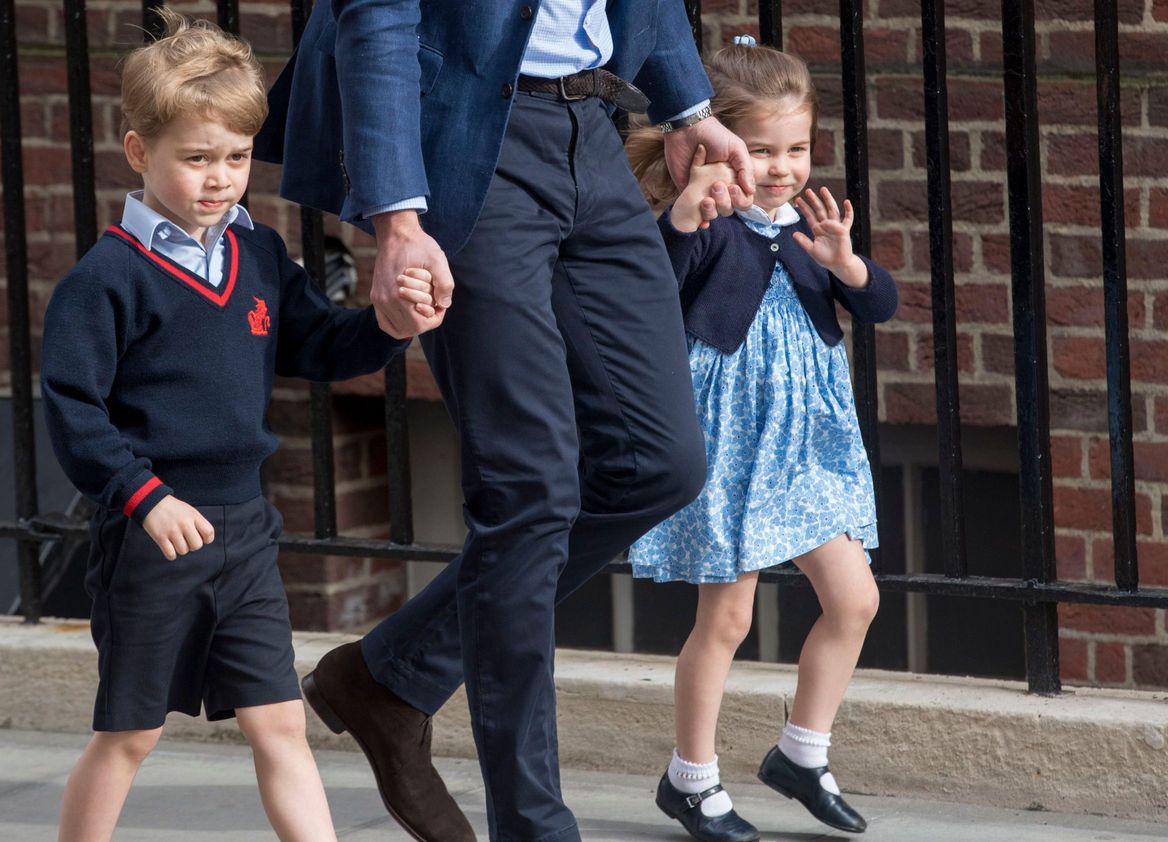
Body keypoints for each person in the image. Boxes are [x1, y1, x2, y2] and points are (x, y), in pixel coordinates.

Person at [255, 2, 757, 840]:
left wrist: (688, 107)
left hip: (592, 130)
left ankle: (388, 679)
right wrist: (399, 220)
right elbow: (377, 19)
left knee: (658, 462)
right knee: (530, 492)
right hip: (464, 142)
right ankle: (534, 826)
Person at [40, 12, 426, 840]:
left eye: (238, 158)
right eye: (197, 158)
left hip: (245, 533)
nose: (220, 179)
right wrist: (144, 497)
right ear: (140, 153)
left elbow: (318, 343)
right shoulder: (104, 280)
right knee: (129, 735)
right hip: (152, 536)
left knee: (279, 723)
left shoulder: (256, 256)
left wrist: (389, 325)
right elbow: (73, 410)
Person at [624, 36, 897, 842]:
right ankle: (691, 779)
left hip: (810, 444)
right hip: (732, 438)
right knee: (728, 618)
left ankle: (802, 755)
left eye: (798, 148)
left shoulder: (809, 228)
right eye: (764, 149)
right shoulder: (707, 222)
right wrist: (678, 220)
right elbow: (652, 299)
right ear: (722, 146)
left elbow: (880, 305)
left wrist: (848, 266)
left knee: (856, 598)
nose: (782, 167)